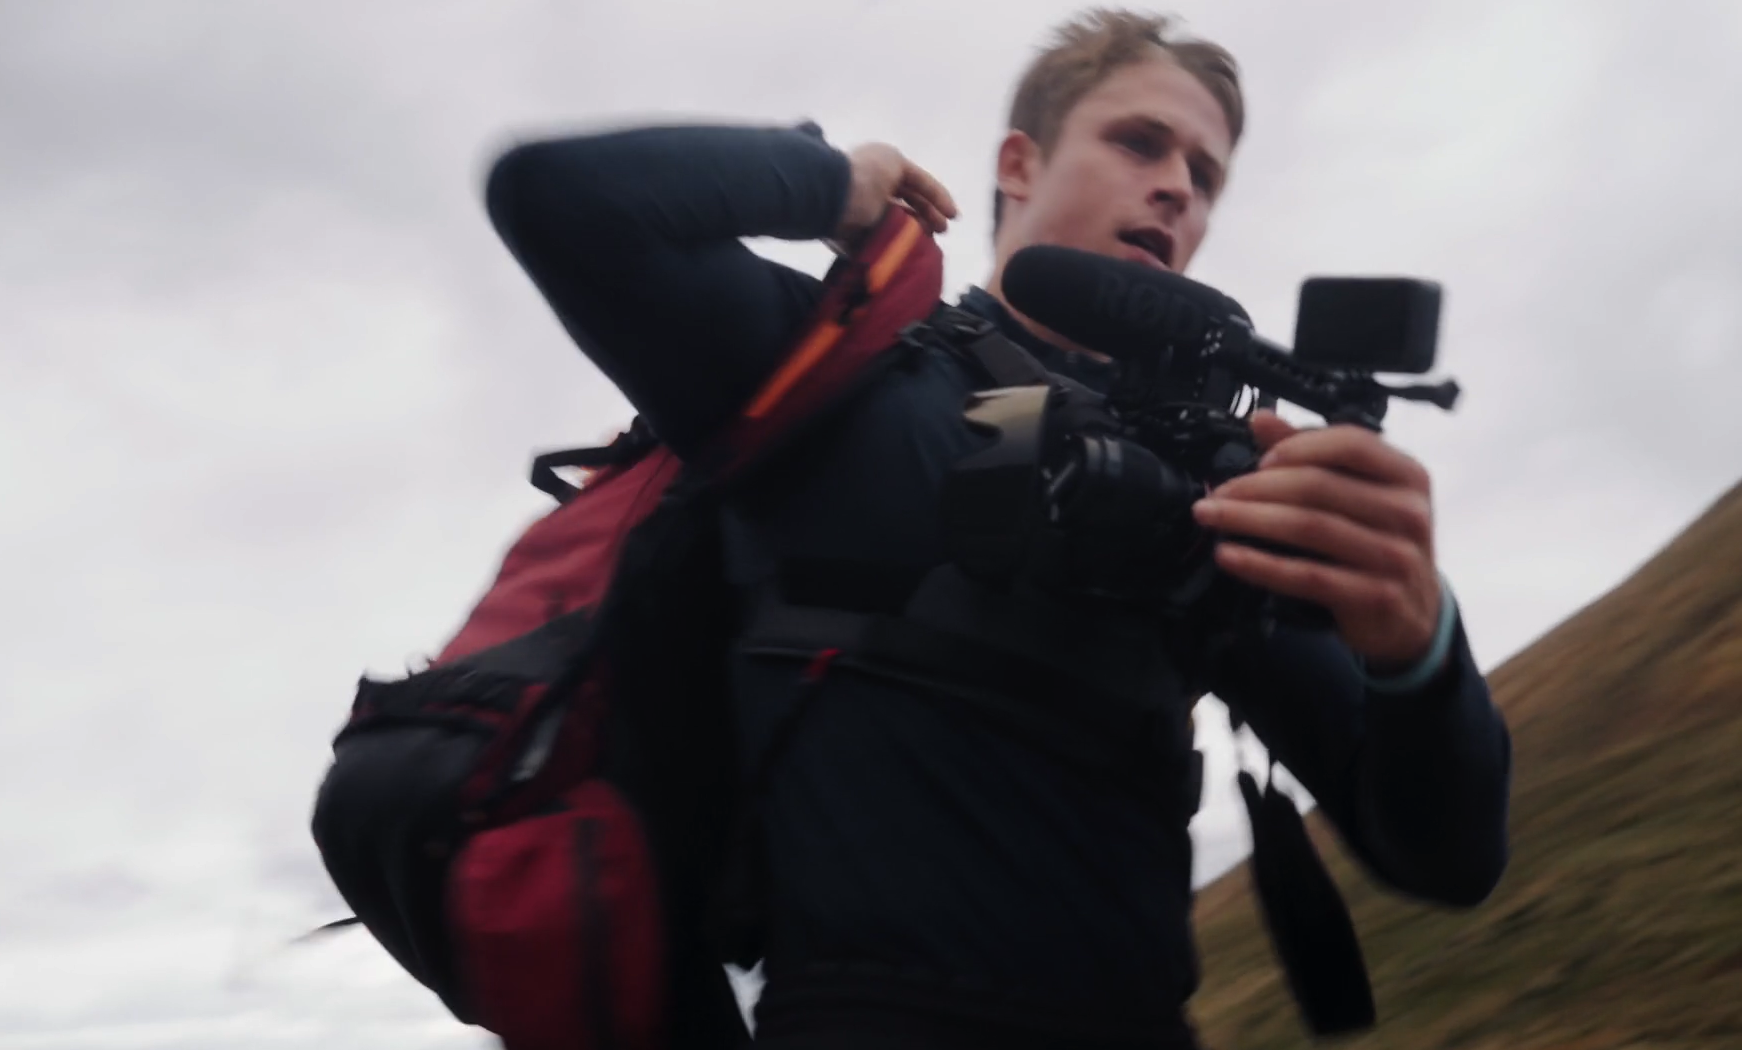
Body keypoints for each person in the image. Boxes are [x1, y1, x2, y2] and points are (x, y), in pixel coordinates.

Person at [482, 8, 1511, 1048]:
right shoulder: (836, 367)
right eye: (1137, 141)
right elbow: (562, 198)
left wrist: (1415, 643)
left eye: (1204, 176)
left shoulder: (1215, 474)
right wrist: (832, 183)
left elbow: (1447, 856)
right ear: (1017, 164)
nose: (1175, 189)